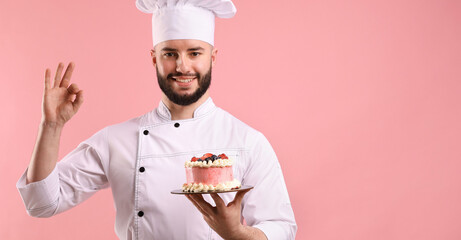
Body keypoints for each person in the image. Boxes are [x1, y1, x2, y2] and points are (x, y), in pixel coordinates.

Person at [16, 0, 297, 239]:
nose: (182, 66)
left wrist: (236, 234)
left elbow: (281, 227)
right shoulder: (116, 140)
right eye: (170, 54)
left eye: (195, 53)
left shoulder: (248, 141)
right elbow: (41, 204)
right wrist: (50, 127)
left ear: (213, 57)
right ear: (154, 58)